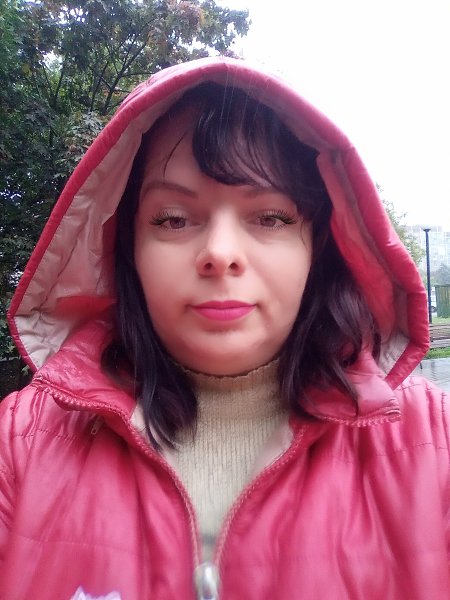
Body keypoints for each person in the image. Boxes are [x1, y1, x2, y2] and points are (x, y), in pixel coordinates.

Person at [0, 57, 448, 600]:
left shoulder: (436, 444)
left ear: (319, 247)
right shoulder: (19, 446)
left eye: (271, 217)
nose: (219, 252)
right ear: (127, 246)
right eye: (172, 219)